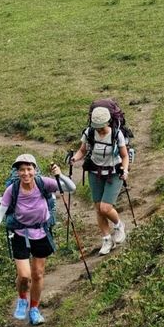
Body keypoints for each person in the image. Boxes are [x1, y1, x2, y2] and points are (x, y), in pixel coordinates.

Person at [0, 153, 75, 326]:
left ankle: (34, 309)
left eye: (29, 169)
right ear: (17, 172)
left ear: (35, 170)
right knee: (25, 276)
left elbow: (71, 188)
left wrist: (60, 175)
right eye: (21, 170)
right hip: (20, 233)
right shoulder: (12, 189)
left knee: (38, 274)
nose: (26, 173)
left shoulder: (44, 183)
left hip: (41, 232)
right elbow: (2, 210)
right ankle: (22, 299)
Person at [69, 105, 129, 256]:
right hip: (95, 173)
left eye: (101, 127)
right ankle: (107, 239)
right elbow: (82, 150)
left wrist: (125, 170)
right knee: (98, 208)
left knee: (105, 208)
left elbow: (124, 156)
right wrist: (74, 158)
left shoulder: (117, 134)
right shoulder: (89, 133)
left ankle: (118, 225)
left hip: (114, 173)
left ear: (108, 122)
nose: (99, 130)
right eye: (97, 127)